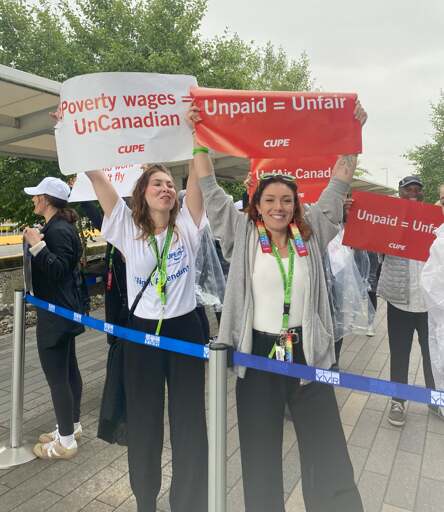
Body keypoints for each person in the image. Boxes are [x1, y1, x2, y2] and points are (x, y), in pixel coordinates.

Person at [188, 102, 367, 512]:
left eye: (286, 200)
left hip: (308, 353)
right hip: (258, 355)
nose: (278, 207)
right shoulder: (242, 233)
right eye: (270, 200)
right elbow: (211, 191)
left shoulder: (311, 231)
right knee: (259, 455)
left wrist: (353, 135)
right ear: (257, 204)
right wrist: (199, 139)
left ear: (296, 204)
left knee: (327, 452)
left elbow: (339, 183)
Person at [85, 163, 208, 512]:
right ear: (142, 192)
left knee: (190, 420)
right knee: (143, 421)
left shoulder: (187, 225)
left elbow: (197, 173)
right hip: (141, 334)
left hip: (185, 330)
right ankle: (145, 500)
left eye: (169, 184)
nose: (166, 188)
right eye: (157, 183)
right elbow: (97, 177)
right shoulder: (127, 228)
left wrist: (198, 143)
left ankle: (189, 502)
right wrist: (78, 146)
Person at [23, 177, 85, 460]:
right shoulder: (61, 227)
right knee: (69, 370)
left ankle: (66, 442)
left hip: (55, 315)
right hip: (64, 311)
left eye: (36, 196)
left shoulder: (57, 230)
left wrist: (37, 245)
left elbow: (58, 270)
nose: (33, 200)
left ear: (46, 199)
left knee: (58, 377)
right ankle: (71, 426)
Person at [377, 175, 444, 426]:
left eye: (417, 189)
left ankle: (435, 399)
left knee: (433, 353)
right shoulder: (388, 220)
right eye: (408, 189)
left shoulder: (436, 221)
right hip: (399, 301)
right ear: (400, 192)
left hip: (429, 303)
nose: (413, 193)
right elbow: (371, 244)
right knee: (399, 353)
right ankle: (398, 401)